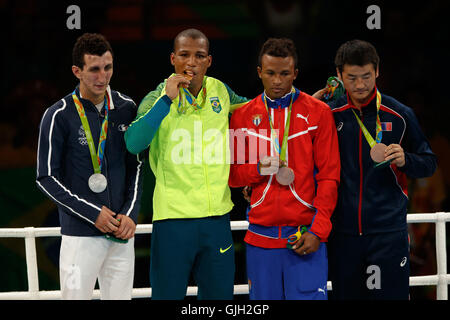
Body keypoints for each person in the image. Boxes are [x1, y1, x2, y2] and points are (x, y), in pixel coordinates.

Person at [124, 28, 248, 300]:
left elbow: (256, 111)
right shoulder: (157, 97)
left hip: (216, 220)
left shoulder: (221, 91)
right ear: (172, 59)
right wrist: (166, 100)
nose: (191, 62)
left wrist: (306, 104)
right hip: (173, 222)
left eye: (199, 55)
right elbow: (133, 143)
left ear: (209, 61)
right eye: (184, 55)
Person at [313, 39, 437, 299]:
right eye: (352, 78)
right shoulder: (328, 115)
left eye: (367, 76)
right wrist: (309, 110)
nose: (360, 85)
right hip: (343, 236)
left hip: (388, 234)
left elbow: (429, 163)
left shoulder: (400, 115)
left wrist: (407, 160)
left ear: (377, 71)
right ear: (338, 75)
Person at [229, 38, 340, 300]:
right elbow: (233, 176)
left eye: (284, 74)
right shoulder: (242, 115)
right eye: (270, 73)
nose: (277, 80)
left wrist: (318, 231)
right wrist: (259, 169)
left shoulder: (319, 113)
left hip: (304, 236)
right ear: (259, 73)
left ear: (295, 74)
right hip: (260, 240)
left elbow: (329, 176)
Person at [36, 33, 143, 300]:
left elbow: (137, 166)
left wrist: (130, 213)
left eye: (108, 67)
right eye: (94, 69)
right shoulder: (57, 115)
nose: (102, 76)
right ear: (77, 71)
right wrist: (93, 213)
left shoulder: (127, 107)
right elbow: (46, 177)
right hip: (80, 237)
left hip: (121, 234)